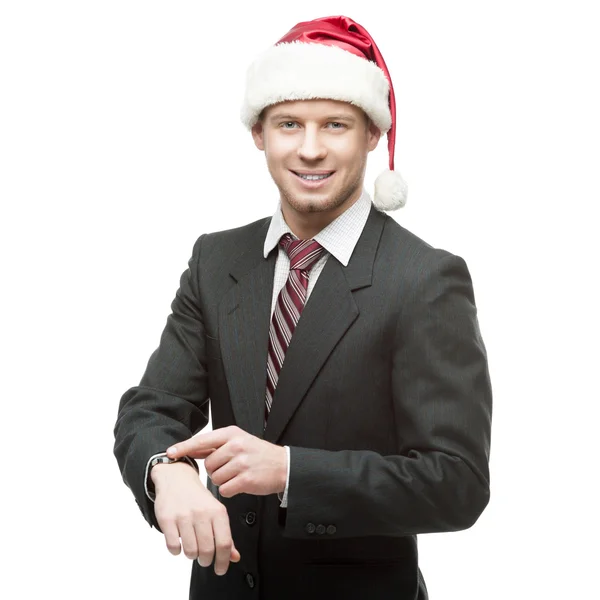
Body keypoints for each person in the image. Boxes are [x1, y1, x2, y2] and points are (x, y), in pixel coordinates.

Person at [113, 14, 492, 600]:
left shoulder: (424, 279)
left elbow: (456, 483)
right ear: (259, 133)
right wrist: (167, 472)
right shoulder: (216, 261)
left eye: (334, 125)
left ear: (371, 133)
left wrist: (293, 473)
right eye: (289, 124)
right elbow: (151, 408)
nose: (310, 150)